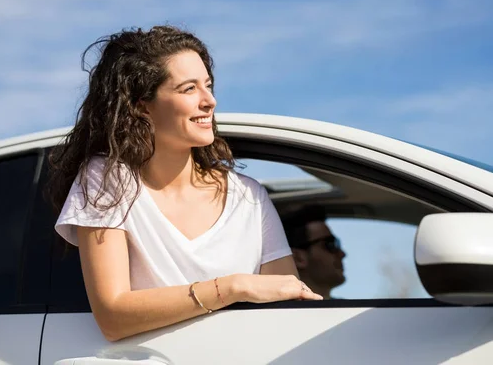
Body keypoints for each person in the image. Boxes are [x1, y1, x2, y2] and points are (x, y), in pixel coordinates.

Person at [46, 25, 322, 342]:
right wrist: (232, 287)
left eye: (208, 85)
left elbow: (289, 308)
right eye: (188, 89)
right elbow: (112, 315)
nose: (210, 101)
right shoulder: (108, 180)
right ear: (141, 106)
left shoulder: (249, 195)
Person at [282, 205, 347, 299]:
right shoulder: (277, 312)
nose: (342, 254)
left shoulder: (347, 310)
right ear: (297, 258)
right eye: (330, 244)